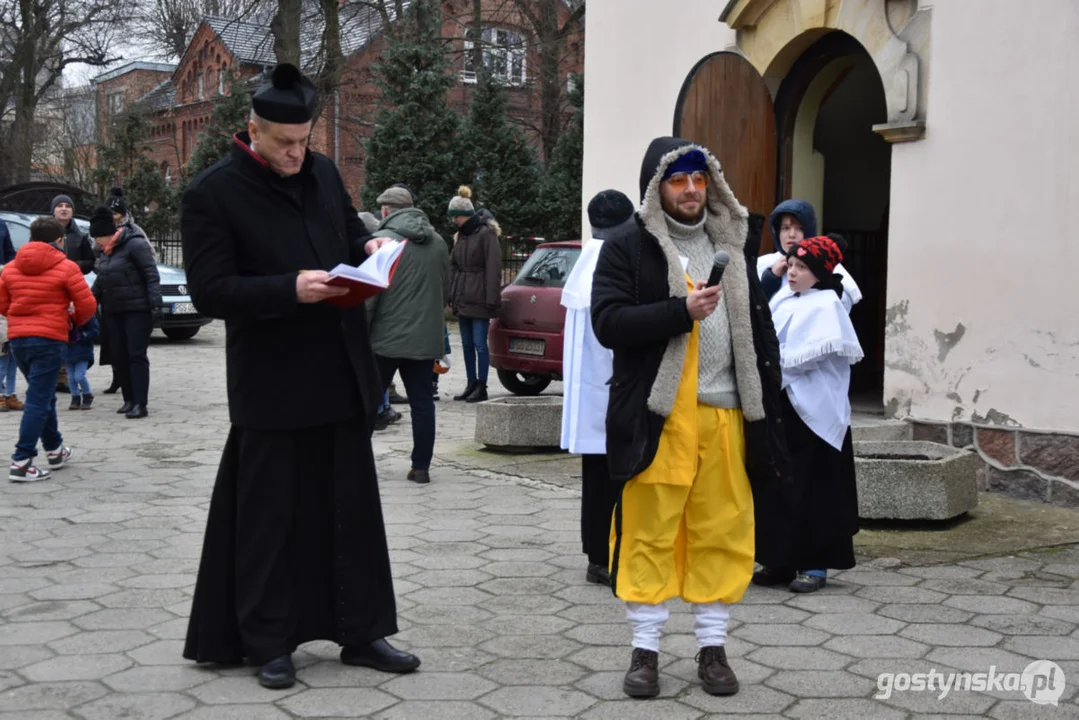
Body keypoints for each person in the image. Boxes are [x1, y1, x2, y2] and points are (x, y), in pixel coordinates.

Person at [180, 63, 418, 690]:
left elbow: (345, 230)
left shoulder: (320, 170)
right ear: (251, 130)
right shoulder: (213, 192)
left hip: (341, 370)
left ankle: (363, 630)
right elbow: (210, 291)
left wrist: (368, 249)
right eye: (282, 142)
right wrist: (290, 289)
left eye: (303, 140)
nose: (295, 153)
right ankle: (269, 639)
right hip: (272, 382)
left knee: (352, 508)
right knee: (270, 516)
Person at [591, 137, 789, 699]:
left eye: (700, 179)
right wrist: (680, 311)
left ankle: (712, 648)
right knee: (650, 530)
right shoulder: (628, 247)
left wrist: (769, 402)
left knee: (721, 532)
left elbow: (756, 329)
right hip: (661, 418)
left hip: (726, 415)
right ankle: (646, 652)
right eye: (679, 180)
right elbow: (607, 322)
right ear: (657, 187)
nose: (692, 190)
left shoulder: (731, 244)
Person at [754, 235, 863, 593]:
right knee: (779, 484)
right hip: (785, 407)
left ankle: (814, 564)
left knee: (815, 488)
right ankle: (779, 559)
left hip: (815, 414)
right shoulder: (787, 300)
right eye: (791, 265)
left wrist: (771, 365)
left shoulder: (827, 306)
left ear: (818, 272)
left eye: (801, 268)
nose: (793, 273)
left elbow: (805, 357)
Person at [560, 189, 634, 586]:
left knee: (599, 476)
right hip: (611, 386)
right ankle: (606, 555)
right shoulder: (611, 263)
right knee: (612, 476)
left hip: (593, 390)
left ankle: (598, 554)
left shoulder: (587, 260)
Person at [0, 217, 96, 482]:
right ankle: (22, 461)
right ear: (59, 239)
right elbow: (87, 303)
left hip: (19, 340)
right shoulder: (67, 267)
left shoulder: (10, 268)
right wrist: (73, 321)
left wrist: (21, 318)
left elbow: (2, 303)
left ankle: (54, 450)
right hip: (50, 339)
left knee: (44, 395)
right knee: (38, 399)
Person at [367, 184, 450, 484]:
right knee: (422, 402)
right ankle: (421, 467)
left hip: (385, 339)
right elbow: (446, 289)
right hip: (425, 338)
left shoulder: (380, 241)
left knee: (367, 399)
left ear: (386, 210)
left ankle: (358, 465)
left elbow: (369, 295)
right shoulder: (438, 242)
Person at [89, 206, 160, 419]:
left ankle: (140, 403)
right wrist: (89, 301)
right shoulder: (106, 252)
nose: (96, 243)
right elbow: (102, 280)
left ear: (107, 234)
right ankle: (128, 399)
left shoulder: (135, 244)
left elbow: (151, 274)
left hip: (137, 310)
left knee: (136, 355)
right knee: (119, 356)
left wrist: (156, 304)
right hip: (113, 310)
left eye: (97, 238)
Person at [757, 199, 861, 311]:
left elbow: (841, 307)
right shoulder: (763, 264)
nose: (791, 235)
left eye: (799, 229)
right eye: (785, 228)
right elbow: (751, 309)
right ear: (777, 232)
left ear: (809, 231)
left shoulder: (827, 262)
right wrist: (770, 279)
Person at [448, 186, 501, 403]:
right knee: (468, 345)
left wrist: (491, 300)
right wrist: (452, 294)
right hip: (463, 297)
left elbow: (493, 268)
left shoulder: (486, 234)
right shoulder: (461, 236)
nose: (454, 221)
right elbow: (453, 266)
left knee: (480, 344)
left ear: (467, 215)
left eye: (457, 216)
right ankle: (471, 383)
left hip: (479, 298)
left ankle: (482, 385)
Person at [0, 219, 23, 412]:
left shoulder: (1, 224)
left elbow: (9, 253)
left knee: (11, 355)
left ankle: (10, 394)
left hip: (3, 279)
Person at [51, 194, 95, 274]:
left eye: (68, 206)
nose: (64, 209)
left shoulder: (81, 236)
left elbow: (90, 262)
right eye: (60, 206)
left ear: (72, 211)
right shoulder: (43, 233)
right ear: (53, 211)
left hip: (71, 280)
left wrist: (74, 265)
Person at [66, 312, 99, 410]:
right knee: (71, 378)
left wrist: (81, 336)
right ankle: (75, 397)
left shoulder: (87, 314)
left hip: (83, 352)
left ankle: (87, 395)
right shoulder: (63, 314)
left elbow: (95, 331)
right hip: (67, 352)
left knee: (79, 376)